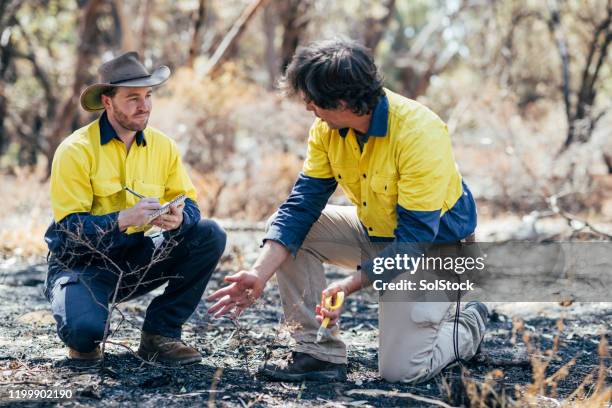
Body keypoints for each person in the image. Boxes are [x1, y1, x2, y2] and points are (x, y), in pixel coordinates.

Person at [207, 39, 488, 383]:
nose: (307, 105)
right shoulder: (327, 129)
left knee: (402, 372)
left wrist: (351, 284)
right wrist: (259, 273)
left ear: (342, 101)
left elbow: (414, 240)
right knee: (295, 230)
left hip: (434, 249)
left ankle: (467, 321)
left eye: (311, 98)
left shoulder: (419, 131)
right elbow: (301, 206)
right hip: (379, 233)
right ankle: (317, 354)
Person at [44, 52, 226, 365]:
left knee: (209, 233)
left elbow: (191, 202)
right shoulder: (75, 150)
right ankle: (85, 329)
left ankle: (160, 334)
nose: (144, 106)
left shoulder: (163, 146)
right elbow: (68, 233)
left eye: (148, 96)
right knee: (84, 332)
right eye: (132, 98)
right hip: (81, 265)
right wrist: (122, 219)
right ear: (107, 102)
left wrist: (182, 216)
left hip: (137, 259)